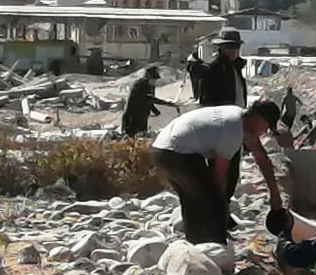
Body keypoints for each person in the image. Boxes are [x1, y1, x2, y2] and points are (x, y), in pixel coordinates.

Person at [151, 100, 283, 245]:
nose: (264, 132)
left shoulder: (239, 117)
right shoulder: (233, 130)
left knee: (194, 198)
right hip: (175, 153)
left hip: (162, 149)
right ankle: (211, 245)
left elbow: (261, 158)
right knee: (207, 198)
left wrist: (275, 195)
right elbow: (219, 175)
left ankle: (200, 243)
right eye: (266, 126)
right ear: (259, 119)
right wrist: (220, 205)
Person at [198, 27, 251, 220]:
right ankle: (214, 217)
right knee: (218, 174)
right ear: (221, 49)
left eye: (235, 47)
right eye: (228, 47)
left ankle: (222, 212)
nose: (232, 51)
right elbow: (206, 103)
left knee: (232, 174)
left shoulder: (236, 69)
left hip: (235, 128)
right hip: (219, 130)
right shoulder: (212, 71)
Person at [120, 66, 177, 137]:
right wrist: (168, 104)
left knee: (142, 139)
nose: (154, 82)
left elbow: (148, 101)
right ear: (148, 77)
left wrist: (156, 111)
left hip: (142, 116)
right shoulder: (141, 84)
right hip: (132, 116)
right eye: (153, 80)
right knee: (131, 138)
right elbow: (149, 98)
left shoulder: (150, 85)